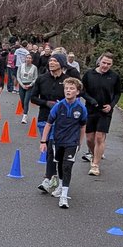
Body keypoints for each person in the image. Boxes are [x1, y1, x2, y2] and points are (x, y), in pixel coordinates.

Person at [40, 76, 88, 208]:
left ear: (77, 92)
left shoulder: (81, 108)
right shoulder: (58, 106)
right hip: (58, 141)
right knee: (60, 165)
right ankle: (61, 185)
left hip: (72, 142)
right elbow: (49, 124)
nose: (68, 91)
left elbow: (83, 126)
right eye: (66, 88)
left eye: (72, 88)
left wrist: (79, 142)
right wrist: (43, 141)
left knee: (67, 167)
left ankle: (64, 196)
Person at [32, 53, 69, 193]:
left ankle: (48, 179)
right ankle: (54, 177)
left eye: (54, 61)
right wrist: (46, 103)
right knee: (50, 148)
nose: (51, 63)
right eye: (50, 61)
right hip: (44, 118)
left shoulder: (67, 80)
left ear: (61, 63)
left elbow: (74, 97)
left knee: (52, 147)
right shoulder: (42, 79)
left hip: (62, 120)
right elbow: (33, 98)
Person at [81, 52, 122, 177]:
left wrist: (111, 105)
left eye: (108, 64)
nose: (105, 66)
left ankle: (95, 165)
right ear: (99, 62)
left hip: (105, 111)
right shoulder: (89, 74)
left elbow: (117, 93)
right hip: (90, 110)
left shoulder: (114, 76)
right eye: (104, 63)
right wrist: (91, 101)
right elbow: (82, 91)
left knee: (99, 137)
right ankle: (94, 154)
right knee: (89, 138)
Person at [16, 50, 39, 124]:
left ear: (32, 60)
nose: (28, 59)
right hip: (22, 84)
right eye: (27, 58)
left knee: (26, 101)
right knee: (22, 100)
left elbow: (36, 77)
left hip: (30, 85)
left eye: (30, 58)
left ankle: (25, 116)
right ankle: (24, 110)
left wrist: (31, 84)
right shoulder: (21, 66)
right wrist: (22, 85)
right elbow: (18, 76)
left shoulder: (34, 67)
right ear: (25, 59)